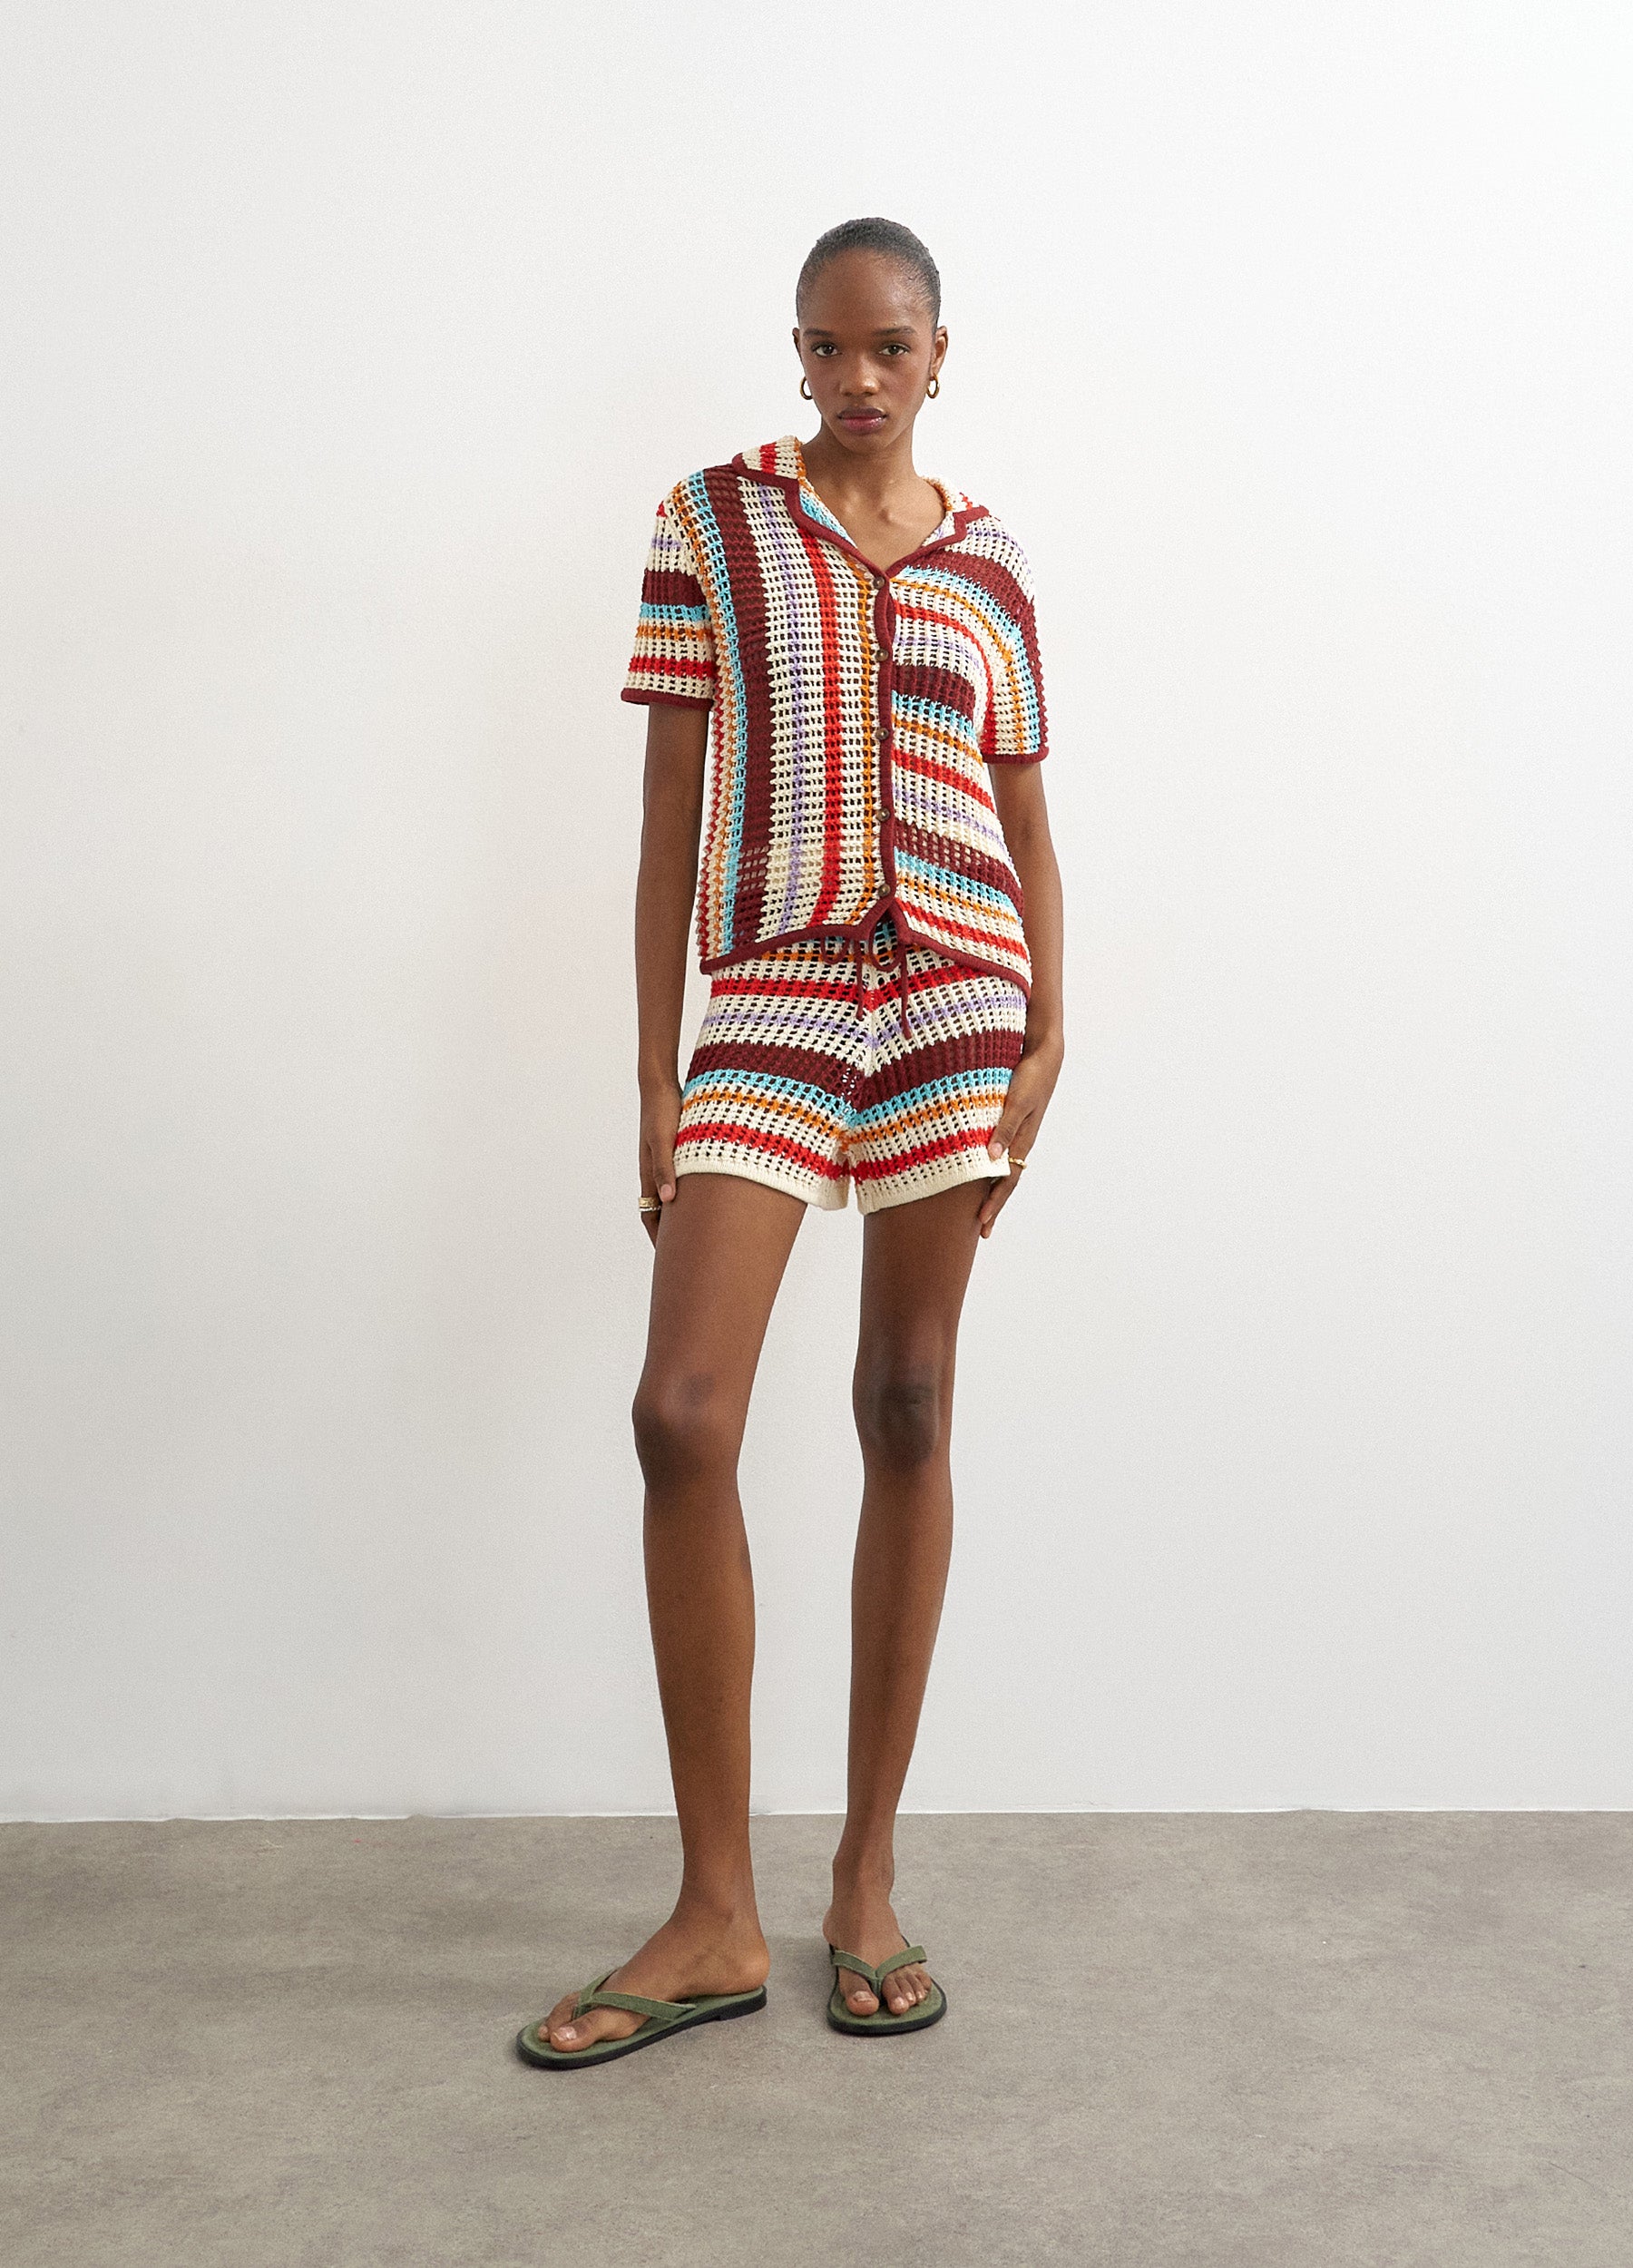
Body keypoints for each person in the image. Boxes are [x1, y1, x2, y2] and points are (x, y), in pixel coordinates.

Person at [518, 217, 1065, 2068]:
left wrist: (1049, 1024)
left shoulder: (992, 564)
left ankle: (865, 1882)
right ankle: (712, 1911)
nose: (855, 379)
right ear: (798, 352)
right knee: (681, 1413)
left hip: (954, 1001)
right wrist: (655, 1074)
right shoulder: (712, 524)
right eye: (826, 347)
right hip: (771, 989)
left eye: (887, 347)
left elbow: (1022, 816)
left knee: (906, 1402)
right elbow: (665, 804)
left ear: (938, 354)